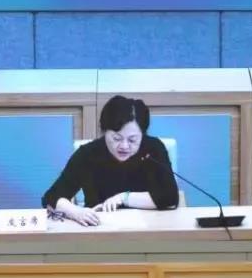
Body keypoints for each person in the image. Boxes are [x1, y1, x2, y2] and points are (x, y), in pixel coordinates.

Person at [42, 95, 179, 226]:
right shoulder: (88, 154)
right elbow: (51, 198)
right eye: (117, 138)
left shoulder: (153, 149)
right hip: (98, 230)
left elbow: (170, 198)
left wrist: (123, 198)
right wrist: (76, 212)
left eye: (132, 140)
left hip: (149, 229)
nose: (124, 146)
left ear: (142, 134)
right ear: (104, 131)